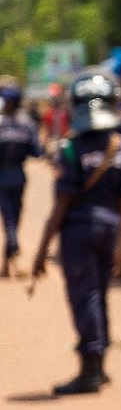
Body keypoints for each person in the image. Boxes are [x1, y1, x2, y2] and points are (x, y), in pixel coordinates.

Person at [31, 67, 121, 394]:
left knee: (84, 297)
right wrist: (119, 244)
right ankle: (99, 366)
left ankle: (89, 370)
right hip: (110, 228)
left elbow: (60, 206)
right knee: (99, 296)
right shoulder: (120, 146)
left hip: (79, 233)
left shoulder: (71, 150)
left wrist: (41, 251)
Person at [0, 84, 44, 278]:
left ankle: (8, 257)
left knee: (14, 217)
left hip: (15, 175)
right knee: (10, 217)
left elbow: (36, 151)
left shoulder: (23, 124)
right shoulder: (25, 124)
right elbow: (36, 150)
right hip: (8, 176)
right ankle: (13, 245)